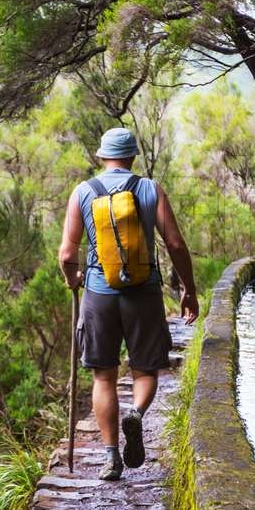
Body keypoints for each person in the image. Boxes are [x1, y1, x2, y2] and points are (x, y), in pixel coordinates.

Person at [58, 125, 199, 482]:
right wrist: (189, 289)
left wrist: (72, 278)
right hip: (143, 292)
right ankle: (135, 413)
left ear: (102, 157)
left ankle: (110, 459)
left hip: (98, 294)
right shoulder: (150, 189)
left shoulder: (83, 191)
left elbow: (67, 253)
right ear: (133, 156)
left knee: (103, 376)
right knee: (145, 369)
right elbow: (177, 246)